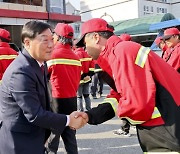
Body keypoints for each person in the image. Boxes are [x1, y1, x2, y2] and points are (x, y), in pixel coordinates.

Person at [74, 18, 180, 152]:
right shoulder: (116, 54)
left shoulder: (123, 51)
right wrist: (91, 115)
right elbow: (118, 95)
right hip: (162, 127)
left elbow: (138, 105)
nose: (84, 49)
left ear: (96, 37)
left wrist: (123, 112)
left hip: (167, 129)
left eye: (85, 44)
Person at [0, 21, 86, 154]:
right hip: (19, 142)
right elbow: (35, 114)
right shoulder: (21, 71)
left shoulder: (41, 63)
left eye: (52, 39)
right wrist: (69, 120)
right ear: (27, 43)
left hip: (37, 131)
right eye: (45, 40)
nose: (51, 45)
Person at [46, 23, 81, 154]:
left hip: (56, 100)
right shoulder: (76, 58)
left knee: (54, 134)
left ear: (58, 37)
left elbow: (44, 77)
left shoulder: (52, 55)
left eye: (54, 35)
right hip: (72, 99)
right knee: (70, 134)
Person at [74, 46, 95, 111]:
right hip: (87, 79)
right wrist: (89, 75)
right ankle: (89, 109)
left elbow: (77, 67)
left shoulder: (75, 54)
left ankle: (81, 110)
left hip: (79, 80)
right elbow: (92, 65)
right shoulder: (87, 54)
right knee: (86, 95)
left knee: (79, 97)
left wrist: (82, 76)